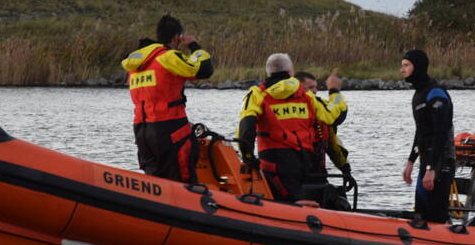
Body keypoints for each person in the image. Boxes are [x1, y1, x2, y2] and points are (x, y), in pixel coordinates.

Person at [237, 54, 345, 202]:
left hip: (273, 161)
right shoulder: (306, 95)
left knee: (287, 200)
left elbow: (246, 127)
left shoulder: (257, 95)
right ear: (291, 71)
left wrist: (248, 157)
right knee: (300, 199)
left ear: (268, 72)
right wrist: (334, 92)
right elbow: (332, 114)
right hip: (303, 161)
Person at [121, 15, 214, 182]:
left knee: (154, 180)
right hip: (170, 128)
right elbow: (204, 69)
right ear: (176, 37)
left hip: (142, 131)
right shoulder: (167, 57)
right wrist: (194, 45)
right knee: (181, 176)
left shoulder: (135, 65)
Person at [400, 49, 455, 223]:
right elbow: (421, 131)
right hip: (427, 159)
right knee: (421, 210)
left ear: (418, 67)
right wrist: (411, 161)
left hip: (441, 161)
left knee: (435, 214)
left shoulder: (435, 93)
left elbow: (441, 133)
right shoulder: (418, 94)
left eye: (406, 65)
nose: (402, 70)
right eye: (402, 66)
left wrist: (432, 169)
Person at [295, 69, 352, 186]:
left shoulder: (321, 109)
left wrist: (345, 169)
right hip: (295, 175)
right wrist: (334, 90)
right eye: (311, 88)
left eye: (316, 87)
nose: (315, 91)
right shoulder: (320, 110)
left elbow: (332, 144)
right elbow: (340, 112)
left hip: (317, 174)